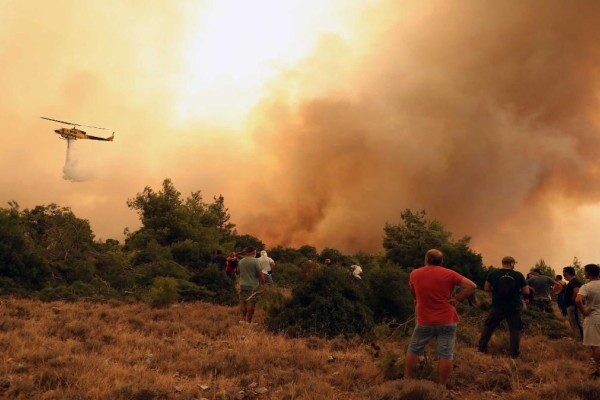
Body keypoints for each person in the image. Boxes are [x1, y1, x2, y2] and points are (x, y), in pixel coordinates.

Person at [404, 249, 476, 386]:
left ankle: (407, 380)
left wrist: (417, 300)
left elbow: (412, 291)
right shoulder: (450, 274)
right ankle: (441, 386)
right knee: (446, 353)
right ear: (442, 261)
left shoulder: (415, 273)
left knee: (414, 349)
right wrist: (456, 299)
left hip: (425, 320)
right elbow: (472, 286)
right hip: (447, 319)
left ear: (426, 259)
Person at [477, 256, 529, 359]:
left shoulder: (493, 273)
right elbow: (526, 291)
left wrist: (497, 290)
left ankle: (481, 348)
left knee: (489, 326)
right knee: (514, 330)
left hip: (498, 305)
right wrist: (516, 291)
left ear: (502, 263)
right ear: (512, 263)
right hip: (514, 306)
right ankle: (514, 354)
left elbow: (486, 288)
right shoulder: (518, 275)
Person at [575, 263, 600, 379]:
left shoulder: (586, 286)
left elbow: (578, 300)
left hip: (593, 319)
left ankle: (599, 370)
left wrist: (584, 312)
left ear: (588, 273)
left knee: (596, 345)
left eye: (585, 271)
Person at [238, 247, 265, 324]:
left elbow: (240, 271)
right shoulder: (256, 261)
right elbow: (261, 274)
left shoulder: (241, 261)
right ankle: (249, 322)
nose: (255, 253)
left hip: (242, 285)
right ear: (252, 252)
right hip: (253, 286)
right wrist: (263, 284)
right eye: (255, 252)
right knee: (252, 304)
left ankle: (243, 319)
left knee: (243, 303)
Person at [563, 266, 583, 341]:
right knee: (574, 323)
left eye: (564, 272)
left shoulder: (574, 281)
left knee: (576, 323)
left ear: (567, 273)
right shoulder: (572, 282)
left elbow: (577, 291)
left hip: (573, 306)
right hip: (571, 306)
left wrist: (572, 299)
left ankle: (580, 340)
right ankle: (578, 339)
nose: (563, 274)